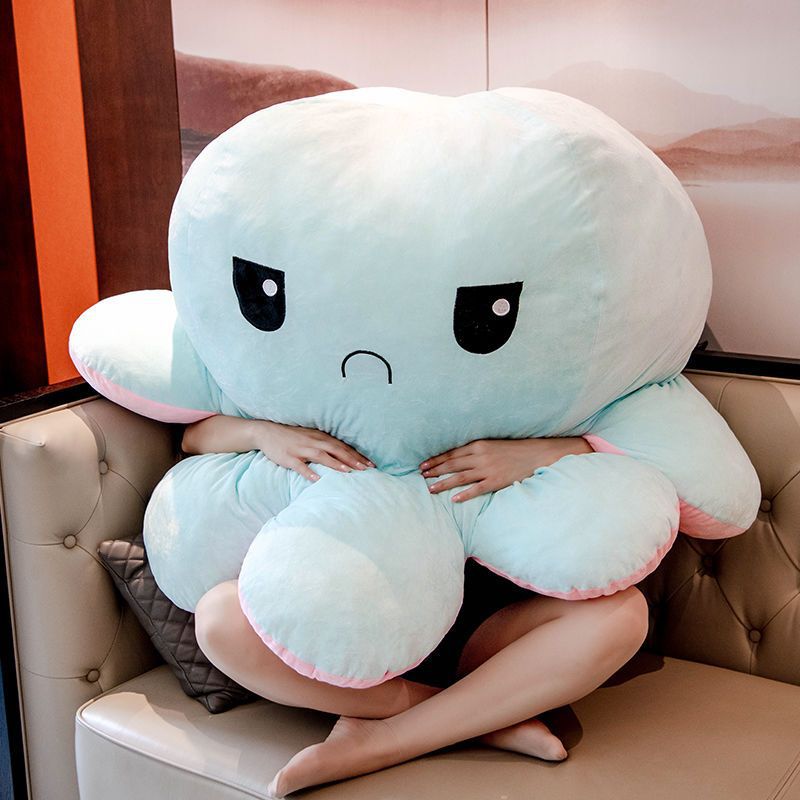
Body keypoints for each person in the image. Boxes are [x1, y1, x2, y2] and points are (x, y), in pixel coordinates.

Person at [184, 416, 649, 797]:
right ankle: (475, 721)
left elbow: (654, 441)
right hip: (343, 618)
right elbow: (193, 435)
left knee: (623, 613)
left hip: (481, 616)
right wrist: (262, 433)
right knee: (219, 617)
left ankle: (388, 740)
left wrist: (549, 450)